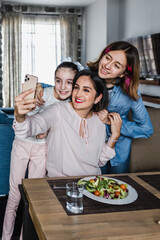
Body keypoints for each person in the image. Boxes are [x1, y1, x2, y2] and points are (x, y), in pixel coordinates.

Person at [2, 61, 79, 240]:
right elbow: (21, 118)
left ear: (75, 84)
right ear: (53, 80)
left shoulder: (71, 105)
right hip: (21, 144)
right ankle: (5, 237)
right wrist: (35, 89)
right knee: (14, 196)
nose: (63, 87)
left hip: (42, 150)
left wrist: (49, 129)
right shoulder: (42, 92)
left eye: (69, 82)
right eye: (58, 80)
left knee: (32, 197)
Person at [13, 69, 122, 178]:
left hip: (92, 185)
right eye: (76, 87)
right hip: (60, 184)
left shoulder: (99, 121)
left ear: (98, 98)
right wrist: (19, 115)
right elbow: (31, 127)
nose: (78, 94)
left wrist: (114, 136)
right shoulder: (58, 110)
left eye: (86, 90)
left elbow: (98, 162)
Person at [86, 41, 153, 174]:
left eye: (117, 65)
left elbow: (146, 129)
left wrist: (112, 123)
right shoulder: (85, 78)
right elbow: (60, 88)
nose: (107, 66)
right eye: (107, 58)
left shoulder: (130, 94)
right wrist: (40, 87)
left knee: (120, 190)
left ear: (123, 73)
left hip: (119, 154)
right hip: (91, 151)